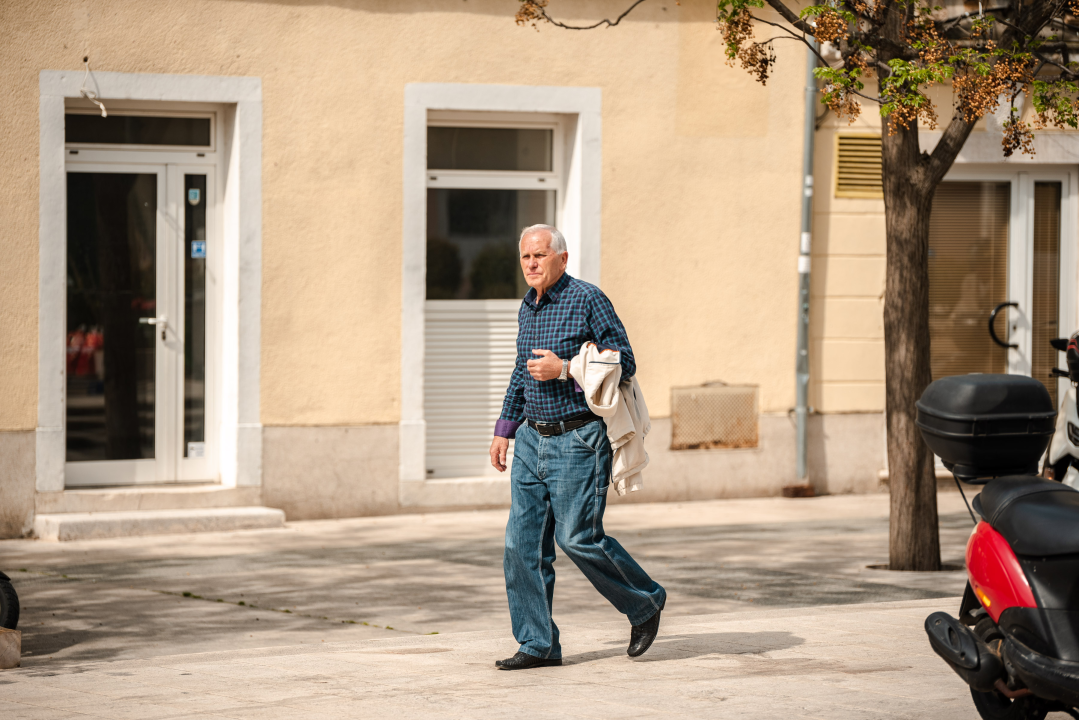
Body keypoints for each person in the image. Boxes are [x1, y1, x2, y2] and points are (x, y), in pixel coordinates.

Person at [489, 224, 666, 671]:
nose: (531, 264)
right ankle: (538, 643)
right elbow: (520, 371)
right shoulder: (526, 308)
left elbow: (625, 361)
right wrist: (505, 428)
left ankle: (644, 602)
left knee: (578, 538)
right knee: (521, 547)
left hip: (578, 439)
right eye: (526, 256)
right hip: (532, 438)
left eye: (540, 256)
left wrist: (565, 367)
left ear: (562, 260)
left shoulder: (588, 299)